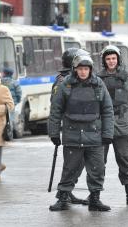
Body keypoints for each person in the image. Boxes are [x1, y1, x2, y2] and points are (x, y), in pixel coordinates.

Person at [48, 53, 114, 212]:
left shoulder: (98, 85)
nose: (83, 72)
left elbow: (107, 110)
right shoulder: (66, 85)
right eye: (80, 69)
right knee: (70, 168)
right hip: (72, 135)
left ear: (90, 69)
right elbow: (56, 110)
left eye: (86, 69)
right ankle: (63, 198)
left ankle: (95, 199)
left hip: (95, 135)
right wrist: (54, 133)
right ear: (74, 69)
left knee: (97, 169)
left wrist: (107, 133)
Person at [97, 45, 128, 206]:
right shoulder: (97, 78)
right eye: (108, 59)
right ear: (104, 60)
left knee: (124, 159)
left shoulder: (127, 78)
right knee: (98, 162)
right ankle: (95, 196)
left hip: (122, 125)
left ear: (118, 59)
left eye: (114, 58)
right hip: (102, 125)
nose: (111, 61)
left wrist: (126, 118)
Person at [51, 47, 90, 205]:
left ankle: (68, 191)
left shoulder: (77, 77)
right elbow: (56, 105)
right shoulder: (63, 80)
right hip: (71, 126)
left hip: (82, 126)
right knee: (72, 163)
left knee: (78, 163)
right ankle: (63, 193)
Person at [1, 67, 22, 135]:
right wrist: (17, 101)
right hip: (11, 103)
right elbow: (19, 93)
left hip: (1, 103)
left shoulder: (0, 82)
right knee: (11, 118)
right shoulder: (14, 83)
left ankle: (2, 133)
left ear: (4, 74)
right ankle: (10, 133)